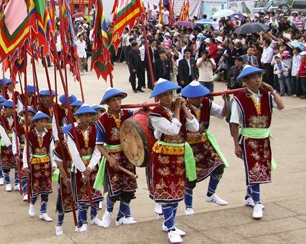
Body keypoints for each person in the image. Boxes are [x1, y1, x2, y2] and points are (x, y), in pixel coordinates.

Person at [148, 78, 199, 243]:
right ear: (158, 97)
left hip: (179, 155)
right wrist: (177, 109)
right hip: (163, 156)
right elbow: (173, 129)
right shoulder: (155, 114)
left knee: (177, 189)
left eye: (170, 93)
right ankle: (170, 227)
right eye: (164, 95)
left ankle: (170, 223)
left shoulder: (180, 109)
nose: (169, 97)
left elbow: (195, 127)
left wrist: (184, 108)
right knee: (166, 190)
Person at [230, 65, 284, 219]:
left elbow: (281, 106)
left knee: (261, 168)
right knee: (254, 169)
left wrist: (272, 90)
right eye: (253, 77)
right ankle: (257, 202)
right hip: (248, 139)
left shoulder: (267, 94)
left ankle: (249, 197)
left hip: (264, 138)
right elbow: (234, 123)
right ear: (245, 81)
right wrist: (236, 144)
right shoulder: (239, 98)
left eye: (259, 76)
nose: (257, 80)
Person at [181, 81, 228, 215]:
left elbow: (222, 114)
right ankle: (188, 206)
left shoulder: (207, 103)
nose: (199, 98)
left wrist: (226, 102)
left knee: (219, 166)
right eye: (196, 96)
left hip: (204, 143)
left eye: (201, 95)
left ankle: (211, 194)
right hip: (189, 147)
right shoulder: (182, 106)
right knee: (190, 177)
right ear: (188, 97)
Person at [95, 88, 137, 228]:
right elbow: (99, 145)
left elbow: (140, 120)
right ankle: (108, 214)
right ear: (107, 103)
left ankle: (121, 217)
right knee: (114, 189)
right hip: (113, 157)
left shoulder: (128, 114)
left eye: (119, 99)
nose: (117, 102)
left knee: (129, 189)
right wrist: (109, 159)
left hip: (129, 155)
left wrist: (142, 109)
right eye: (114, 100)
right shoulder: (102, 121)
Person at [63, 104, 104, 233]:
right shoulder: (71, 133)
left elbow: (98, 149)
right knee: (82, 196)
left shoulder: (96, 129)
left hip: (92, 166)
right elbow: (74, 153)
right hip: (78, 168)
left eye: (90, 115)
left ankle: (94, 216)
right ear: (79, 117)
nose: (88, 118)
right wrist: (83, 169)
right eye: (85, 115)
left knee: (95, 194)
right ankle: (83, 221)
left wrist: (90, 167)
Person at [23, 111, 56, 222]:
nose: (43, 124)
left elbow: (51, 150)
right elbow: (26, 151)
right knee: (35, 185)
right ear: (35, 123)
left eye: (45, 121)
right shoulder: (30, 135)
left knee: (46, 188)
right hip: (35, 163)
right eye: (41, 121)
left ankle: (43, 212)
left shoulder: (49, 134)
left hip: (46, 163)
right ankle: (32, 203)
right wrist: (25, 164)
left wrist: (54, 164)